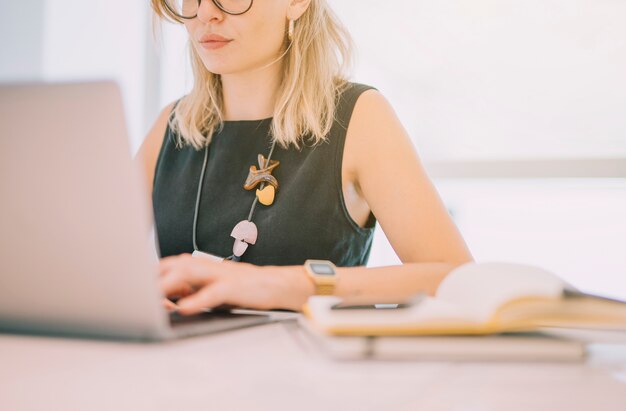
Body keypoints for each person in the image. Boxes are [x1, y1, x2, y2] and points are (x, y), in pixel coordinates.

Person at [138, 0, 473, 314]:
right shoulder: (171, 126)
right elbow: (94, 263)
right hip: (183, 371)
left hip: (310, 372)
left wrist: (275, 284)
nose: (205, 12)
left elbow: (458, 279)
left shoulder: (359, 117)